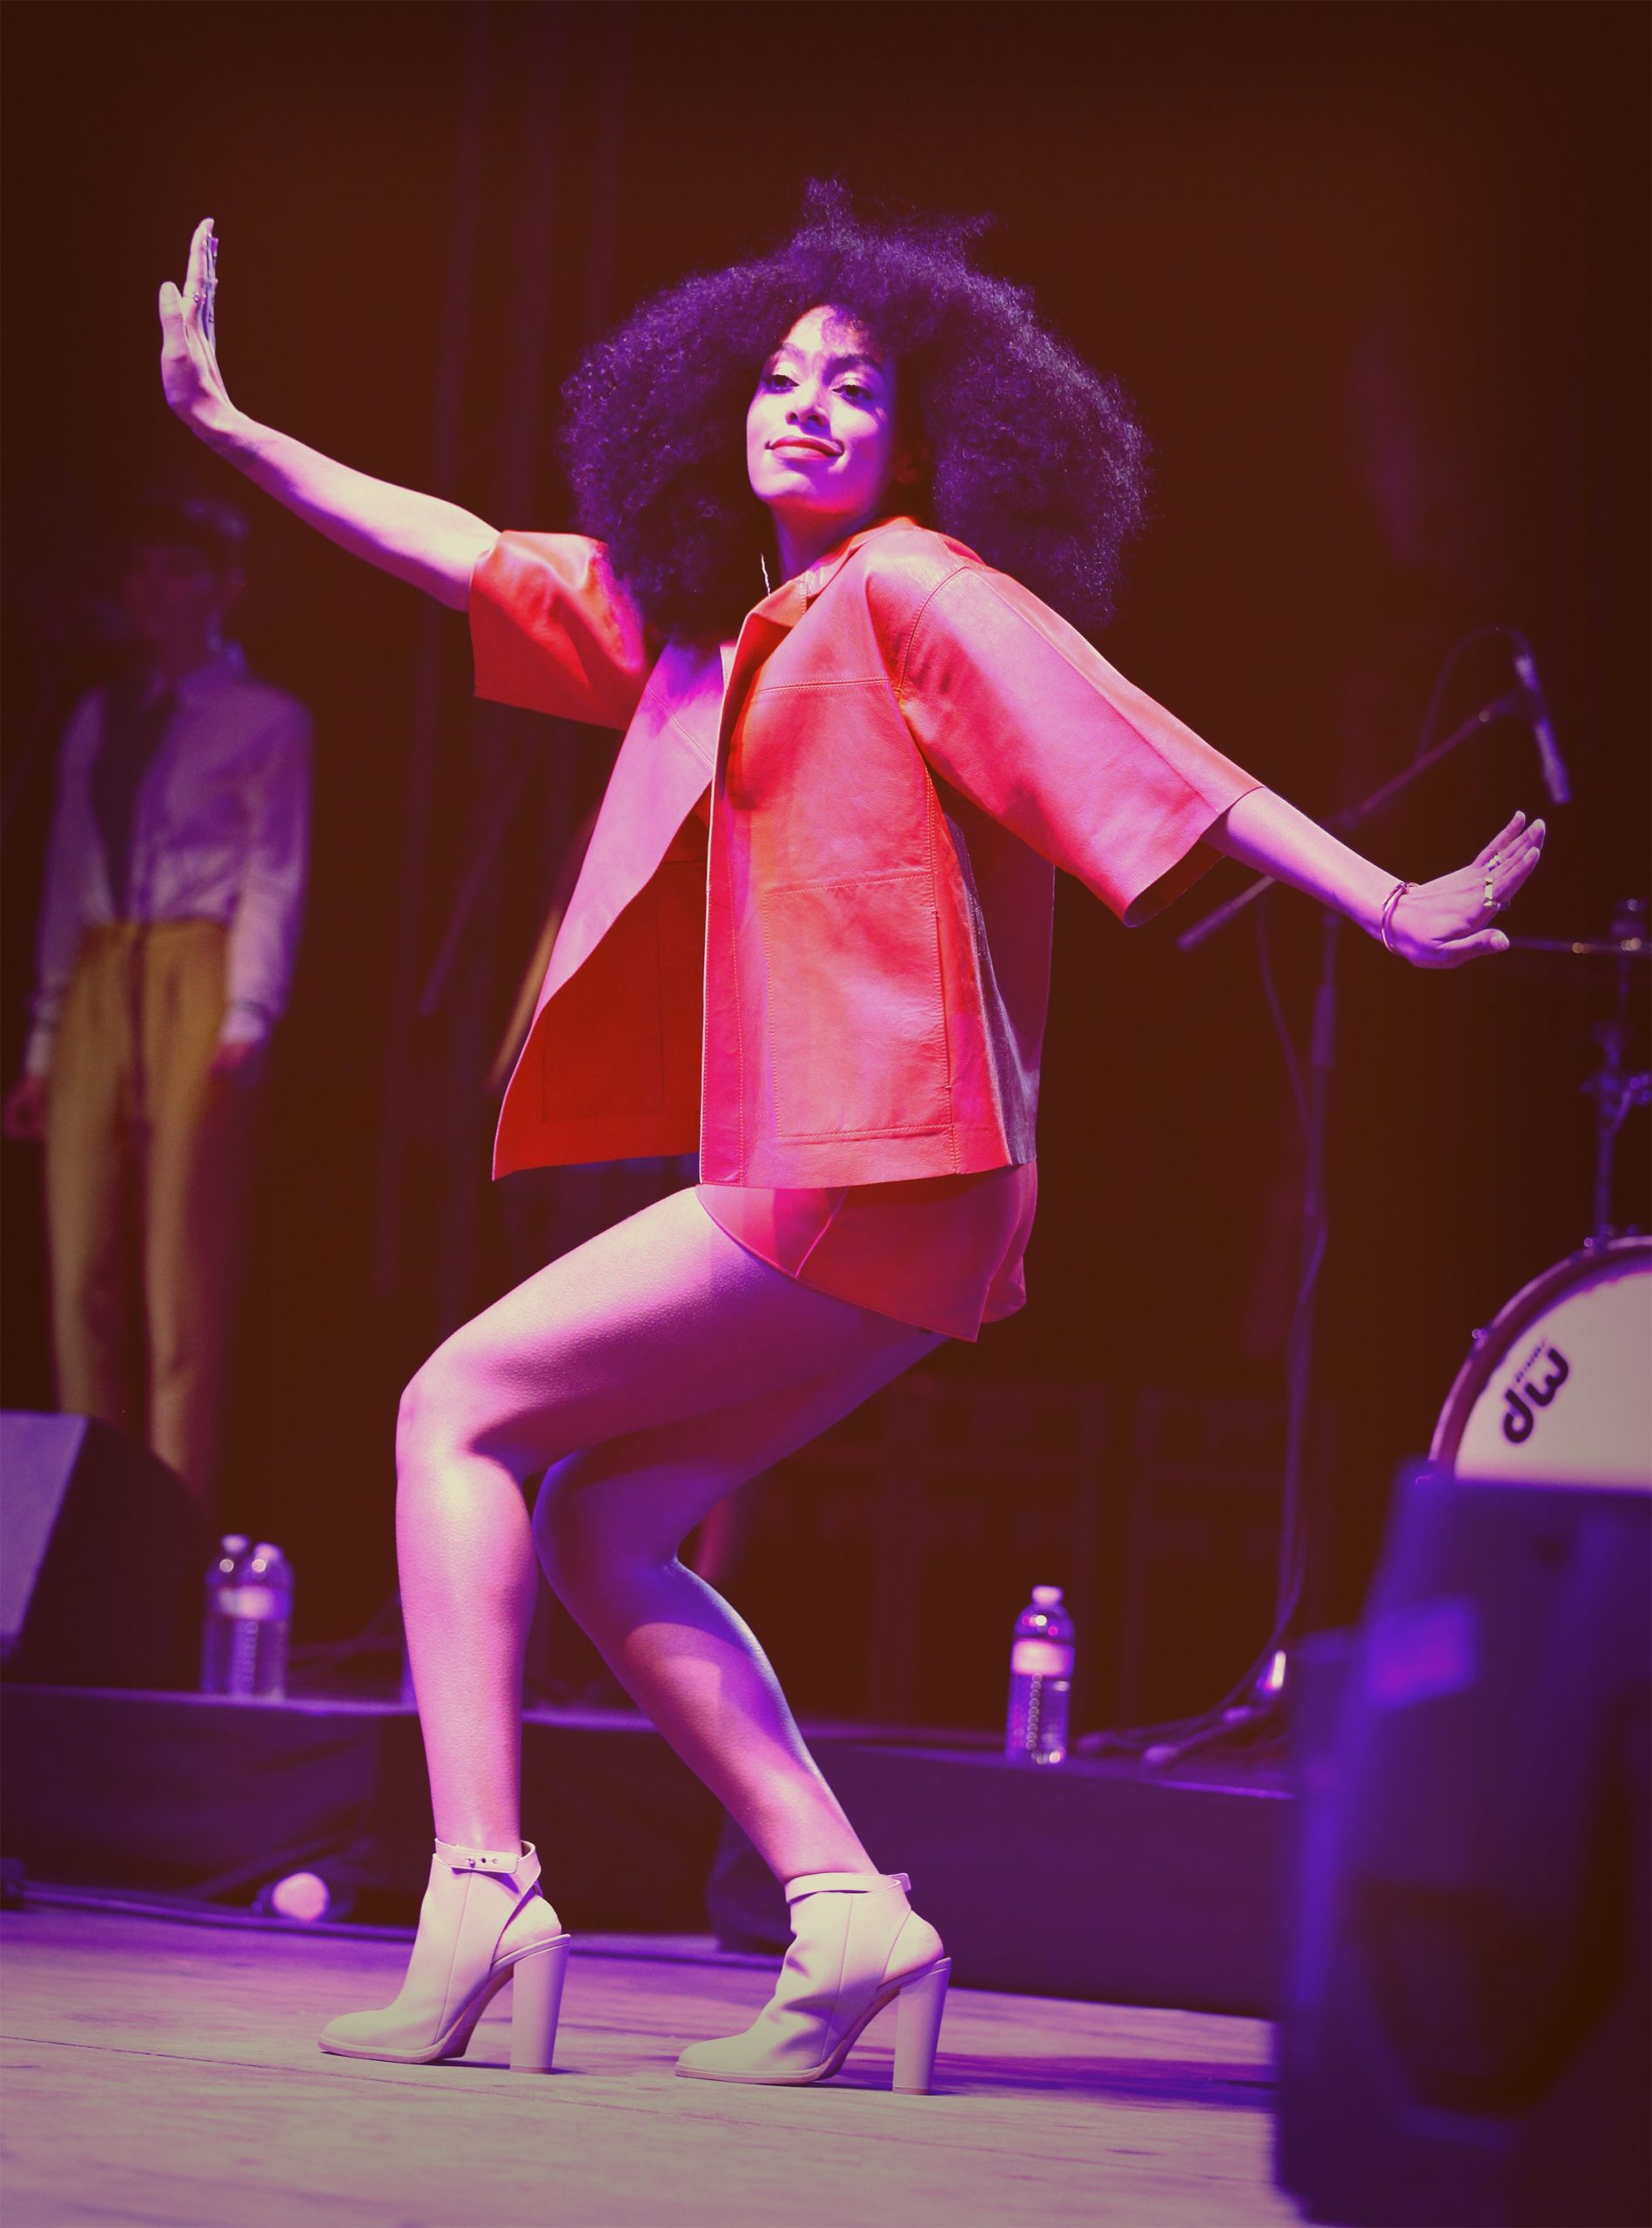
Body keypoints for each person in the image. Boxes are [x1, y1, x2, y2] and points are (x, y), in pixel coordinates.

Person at [156, 190, 1542, 2089]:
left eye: (857, 386)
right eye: (779, 377)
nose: (805, 405)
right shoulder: (707, 627)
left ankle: (478, 1883)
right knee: (606, 1512)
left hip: (874, 1151)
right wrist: (241, 435)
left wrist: (1382, 893)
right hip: (886, 1187)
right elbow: (472, 552)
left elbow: (1150, 752)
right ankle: (843, 1910)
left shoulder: (914, 586)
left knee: (448, 1411)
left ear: (923, 436)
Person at [3, 492, 311, 1515]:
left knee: (183, 1266)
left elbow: (273, 868)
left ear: (224, 589)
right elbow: (67, 868)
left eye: (177, 570)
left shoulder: (263, 719)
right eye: (142, 570)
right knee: (77, 1257)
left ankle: (171, 1531)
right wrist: (46, 1036)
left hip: (197, 963)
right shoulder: (100, 714)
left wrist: (247, 1010)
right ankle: (79, 1523)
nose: (152, 591)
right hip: (101, 965)